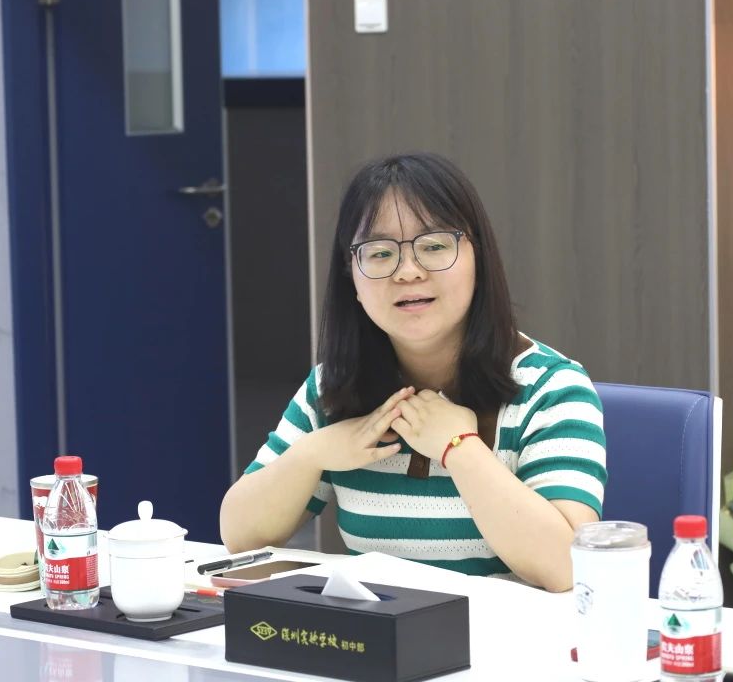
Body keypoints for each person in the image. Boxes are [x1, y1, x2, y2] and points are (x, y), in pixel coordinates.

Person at [220, 152, 606, 591]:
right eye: (380, 253)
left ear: (478, 258)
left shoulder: (552, 388)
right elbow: (240, 537)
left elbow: (568, 568)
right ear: (351, 277)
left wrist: (459, 448)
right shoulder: (333, 387)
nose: (407, 272)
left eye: (434, 246)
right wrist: (312, 454)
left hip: (509, 633)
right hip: (379, 631)